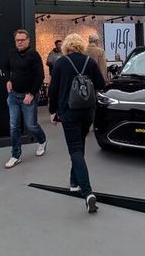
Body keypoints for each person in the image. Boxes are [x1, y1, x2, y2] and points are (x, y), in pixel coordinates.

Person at [48, 33, 106, 213]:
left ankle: (87, 192)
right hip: (88, 111)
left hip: (68, 111)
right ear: (81, 45)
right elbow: (100, 83)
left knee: (74, 149)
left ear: (66, 46)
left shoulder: (60, 63)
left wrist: (52, 111)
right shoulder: (90, 62)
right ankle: (74, 183)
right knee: (79, 147)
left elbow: (53, 89)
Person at [1, 29, 46, 169]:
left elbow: (40, 76)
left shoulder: (34, 55)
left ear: (28, 40)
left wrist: (31, 94)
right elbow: (6, 68)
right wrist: (8, 80)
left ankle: (42, 141)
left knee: (31, 125)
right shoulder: (11, 53)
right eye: (17, 40)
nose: (19, 42)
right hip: (13, 96)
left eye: (22, 40)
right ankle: (16, 155)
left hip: (28, 96)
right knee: (14, 126)